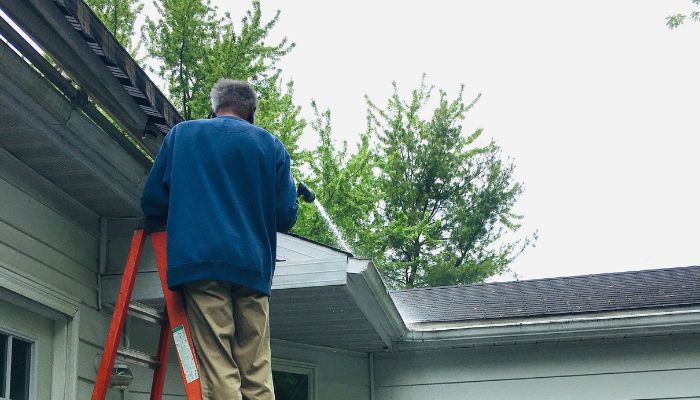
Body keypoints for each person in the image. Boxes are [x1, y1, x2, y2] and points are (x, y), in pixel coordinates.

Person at [141, 79, 299, 400]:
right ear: (252, 112)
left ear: (215, 107)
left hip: (203, 267)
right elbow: (286, 215)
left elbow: (153, 202)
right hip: (253, 271)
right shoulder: (271, 146)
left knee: (218, 364)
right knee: (256, 370)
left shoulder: (183, 136)